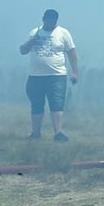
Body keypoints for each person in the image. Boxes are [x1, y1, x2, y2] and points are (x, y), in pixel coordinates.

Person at [18, 9, 79, 142]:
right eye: (48, 19)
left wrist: (75, 72)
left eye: (53, 20)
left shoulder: (63, 33)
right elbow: (22, 50)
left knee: (57, 104)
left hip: (57, 76)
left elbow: (72, 53)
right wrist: (31, 42)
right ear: (43, 19)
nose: (51, 22)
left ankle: (58, 132)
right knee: (36, 104)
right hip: (35, 76)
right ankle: (35, 133)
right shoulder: (34, 32)